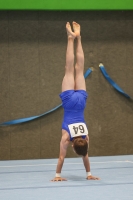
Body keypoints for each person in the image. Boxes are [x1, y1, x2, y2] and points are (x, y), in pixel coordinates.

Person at [51, 22, 99, 181]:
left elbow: (85, 155)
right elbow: (61, 158)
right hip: (69, 102)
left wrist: (89, 174)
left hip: (81, 102)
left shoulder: (86, 138)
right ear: (73, 146)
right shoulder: (66, 139)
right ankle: (70, 38)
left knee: (80, 67)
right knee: (69, 68)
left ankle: (78, 38)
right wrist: (57, 175)